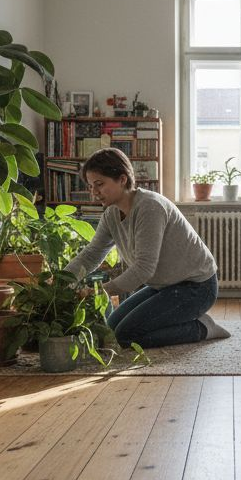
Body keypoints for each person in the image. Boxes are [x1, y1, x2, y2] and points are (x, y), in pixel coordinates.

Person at [66, 147, 230, 348]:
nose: (94, 192)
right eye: (91, 186)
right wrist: (61, 280)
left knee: (126, 335)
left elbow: (144, 268)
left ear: (122, 179)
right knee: (113, 328)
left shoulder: (149, 207)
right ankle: (180, 319)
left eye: (99, 184)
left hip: (197, 287)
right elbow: (92, 254)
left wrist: (101, 291)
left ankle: (202, 328)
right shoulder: (111, 214)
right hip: (164, 286)